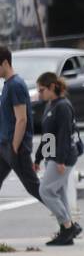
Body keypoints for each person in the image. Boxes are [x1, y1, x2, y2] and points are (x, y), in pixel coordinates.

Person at [34, 71, 82, 246]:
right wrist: (38, 159)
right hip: (52, 156)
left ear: (52, 87)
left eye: (41, 90)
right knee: (58, 193)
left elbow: (64, 134)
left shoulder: (63, 106)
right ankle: (66, 231)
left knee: (45, 191)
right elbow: (47, 136)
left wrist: (60, 160)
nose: (39, 94)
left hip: (63, 157)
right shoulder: (51, 105)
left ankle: (69, 227)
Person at [0, 46, 43, 208]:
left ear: (5, 63)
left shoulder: (15, 85)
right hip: (4, 146)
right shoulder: (7, 85)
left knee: (34, 188)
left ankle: (67, 222)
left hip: (15, 148)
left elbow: (22, 119)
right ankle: (67, 222)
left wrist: (14, 147)